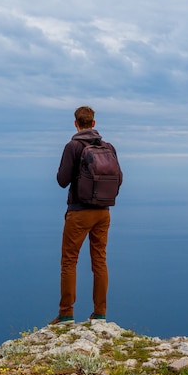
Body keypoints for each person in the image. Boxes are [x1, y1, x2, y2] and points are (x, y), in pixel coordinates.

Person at [50, 106, 122, 325]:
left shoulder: (73, 146)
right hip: (103, 213)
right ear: (94, 123)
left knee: (69, 261)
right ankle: (100, 314)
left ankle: (66, 314)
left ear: (75, 124)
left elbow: (62, 181)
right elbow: (119, 178)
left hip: (79, 212)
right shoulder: (108, 147)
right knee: (99, 261)